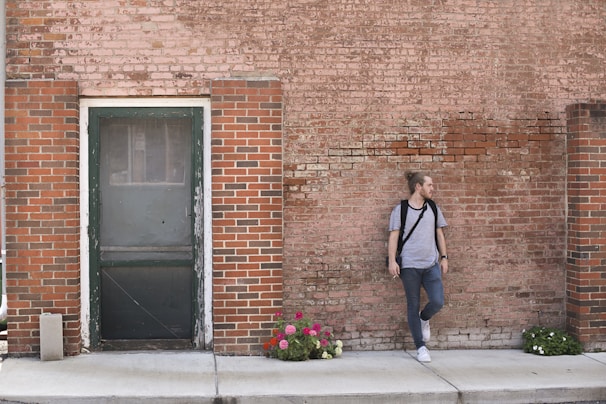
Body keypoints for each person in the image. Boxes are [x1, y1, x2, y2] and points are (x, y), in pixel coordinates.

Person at [388, 171, 448, 363]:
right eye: (429, 185)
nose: (433, 188)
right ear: (418, 187)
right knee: (412, 305)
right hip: (409, 265)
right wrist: (392, 261)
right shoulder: (401, 210)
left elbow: (439, 234)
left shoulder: (433, 207)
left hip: (431, 264)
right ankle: (420, 347)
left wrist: (444, 257)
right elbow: (394, 237)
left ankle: (424, 318)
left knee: (437, 301)